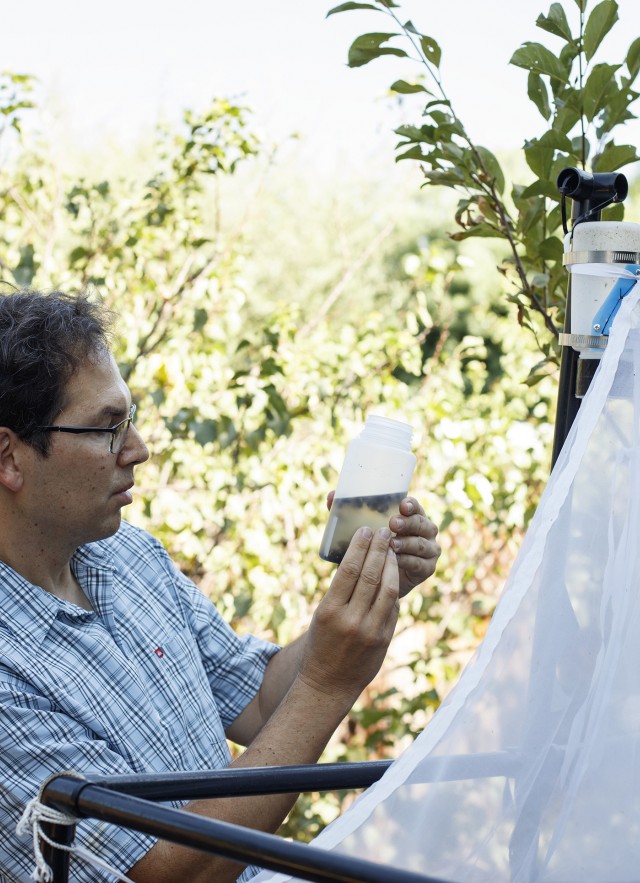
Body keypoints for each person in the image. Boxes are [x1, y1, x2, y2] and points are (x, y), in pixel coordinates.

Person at [0, 289, 441, 883]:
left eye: (130, 420)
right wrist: (331, 681)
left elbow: (260, 704)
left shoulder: (127, 556)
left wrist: (362, 591)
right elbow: (168, 877)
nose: (138, 450)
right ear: (9, 457)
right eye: (107, 430)